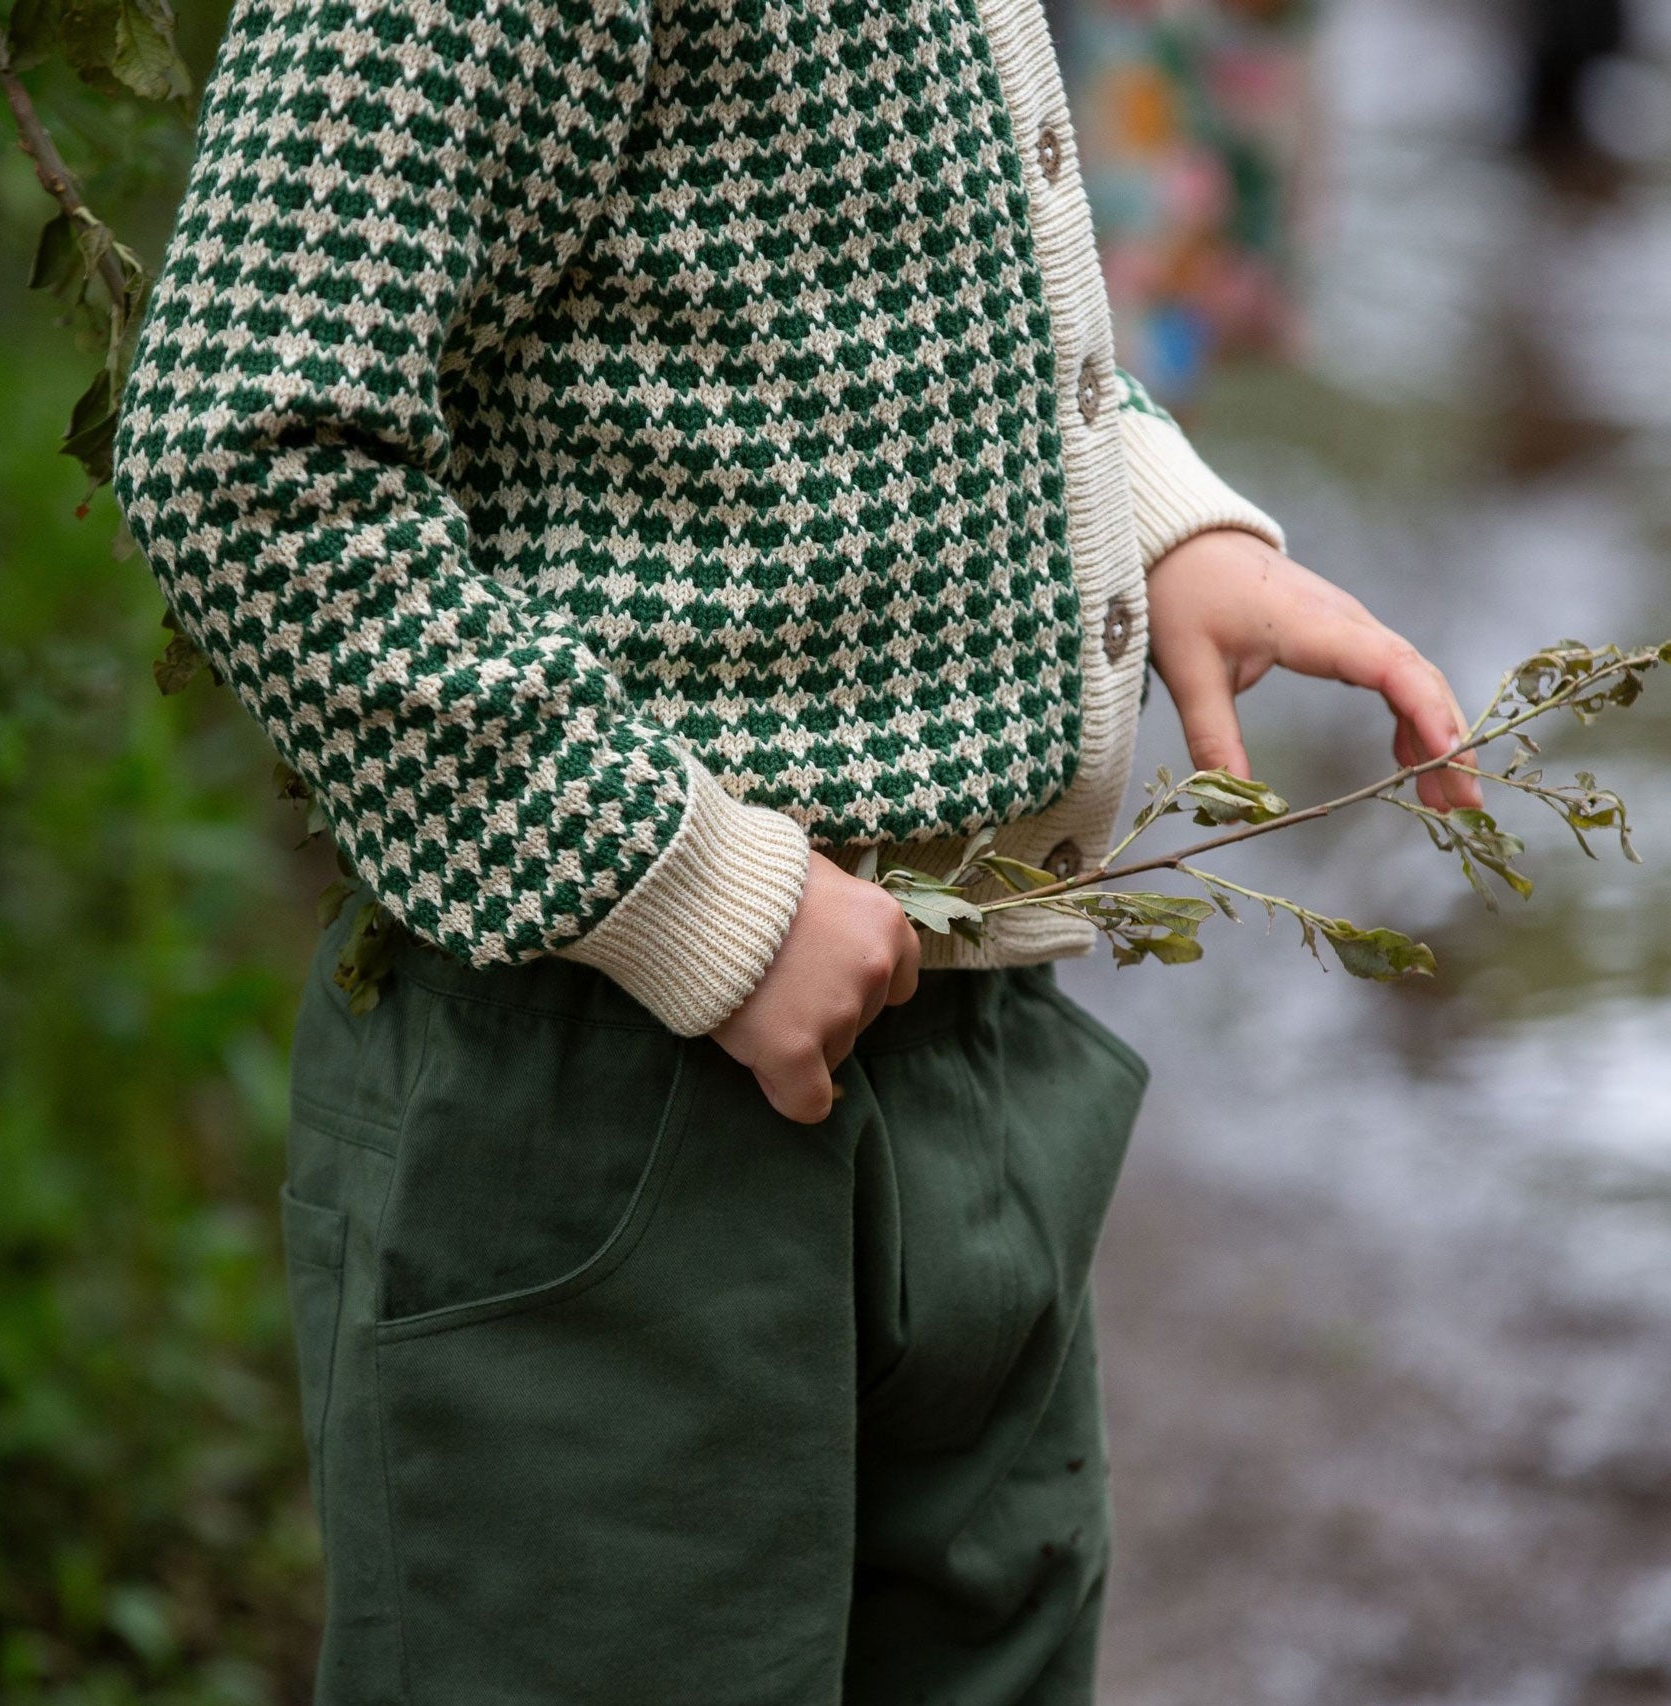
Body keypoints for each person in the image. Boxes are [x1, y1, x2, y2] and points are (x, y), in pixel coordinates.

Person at [109, 0, 1483, 1698]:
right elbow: (244, 446)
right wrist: (674, 883)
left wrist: (1143, 509)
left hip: (965, 1039)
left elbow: (852, 267)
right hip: (607, 1100)